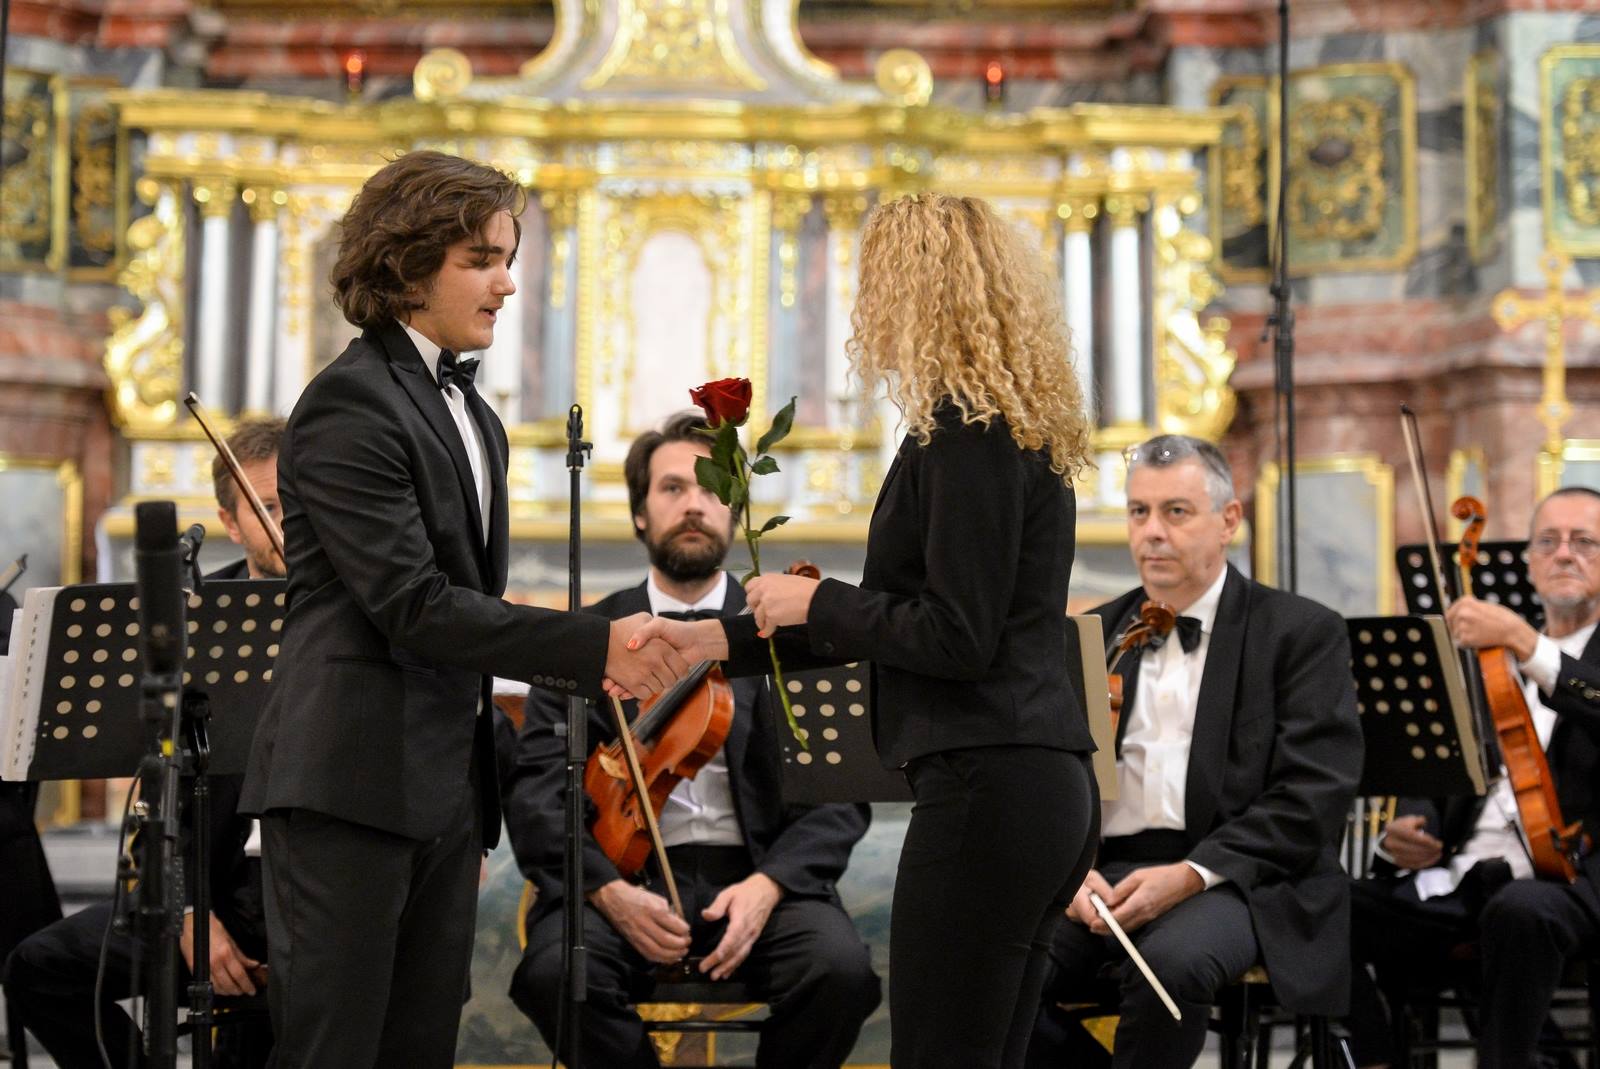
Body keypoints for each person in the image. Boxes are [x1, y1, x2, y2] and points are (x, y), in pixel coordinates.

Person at [236, 150, 690, 1068]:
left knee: (419, 1050)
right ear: (408, 264)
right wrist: (594, 643)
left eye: (507, 256)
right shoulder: (347, 404)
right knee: (333, 1051)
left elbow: (467, 605)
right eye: (482, 258)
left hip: (440, 786)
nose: (508, 282)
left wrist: (469, 793)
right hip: (350, 785)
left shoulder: (474, 416)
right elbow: (414, 604)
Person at [632, 192, 1099, 1069]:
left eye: (878, 280)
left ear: (923, 287)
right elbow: (902, 620)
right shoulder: (998, 426)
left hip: (990, 787)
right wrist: (710, 641)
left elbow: (957, 636)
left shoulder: (969, 429)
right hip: (1032, 785)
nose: (864, 304)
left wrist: (822, 601)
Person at [501, 411, 881, 1067]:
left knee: (839, 971)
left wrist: (770, 886)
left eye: (712, 489)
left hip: (760, 876)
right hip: (622, 876)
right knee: (558, 975)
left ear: (735, 511)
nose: (694, 504)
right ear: (641, 514)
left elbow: (839, 796)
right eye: (672, 488)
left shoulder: (785, 634)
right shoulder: (584, 638)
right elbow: (535, 791)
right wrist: (608, 892)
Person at [1027, 434, 1363, 1069]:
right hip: (1100, 878)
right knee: (993, 969)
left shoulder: (1298, 633)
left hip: (1236, 879)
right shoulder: (1091, 636)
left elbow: (1311, 796)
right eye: (1138, 512)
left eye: (1175, 512)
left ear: (1228, 520)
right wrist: (1068, 872)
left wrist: (1188, 876)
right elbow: (1047, 780)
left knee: (1170, 967)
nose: (1152, 532)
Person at [4, 417, 288, 1069]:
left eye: (300, 501)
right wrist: (191, 912)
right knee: (38, 967)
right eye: (268, 507)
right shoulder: (194, 614)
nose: (287, 522)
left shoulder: (354, 610)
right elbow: (157, 789)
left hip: (306, 897)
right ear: (230, 520)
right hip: (206, 888)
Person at [1345, 486, 1600, 1069]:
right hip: (1462, 877)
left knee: (1519, 911)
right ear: (1529, 561)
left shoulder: (1517, 644)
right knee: (1317, 901)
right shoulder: (1483, 665)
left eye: (1585, 542)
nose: (1565, 554)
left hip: (1572, 881)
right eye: (1549, 542)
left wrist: (1528, 644)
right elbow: (1440, 772)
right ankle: (1379, 1059)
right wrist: (1408, 831)